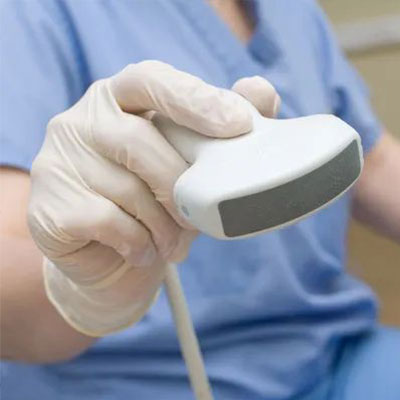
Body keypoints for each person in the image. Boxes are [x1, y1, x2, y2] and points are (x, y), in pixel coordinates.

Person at [1, 0, 399, 399]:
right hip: (140, 377)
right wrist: (85, 288)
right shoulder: (29, 14)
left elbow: (371, 157)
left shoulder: (290, 9)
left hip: (331, 350)